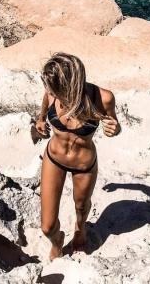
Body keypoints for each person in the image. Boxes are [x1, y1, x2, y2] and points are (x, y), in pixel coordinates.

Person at [35, 53, 121, 260]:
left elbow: (114, 125)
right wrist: (41, 119)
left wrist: (114, 129)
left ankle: (80, 228)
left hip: (84, 165)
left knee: (81, 206)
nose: (49, 92)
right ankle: (57, 241)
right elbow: (46, 100)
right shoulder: (52, 91)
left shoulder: (103, 98)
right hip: (54, 158)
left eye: (53, 89)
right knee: (47, 226)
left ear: (69, 85)